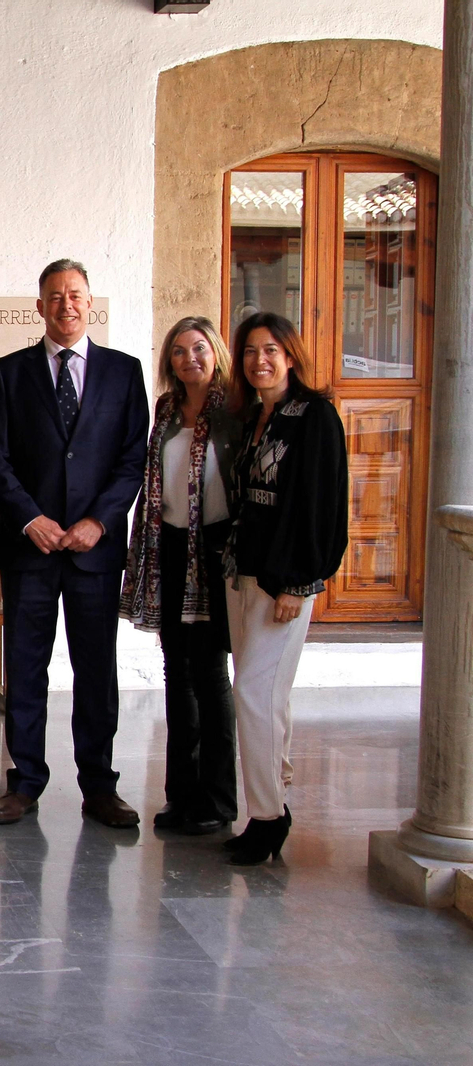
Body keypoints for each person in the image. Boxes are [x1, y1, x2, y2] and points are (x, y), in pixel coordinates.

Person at [0, 259, 149, 827]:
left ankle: (100, 787)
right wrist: (29, 518)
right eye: (55, 297)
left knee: (95, 670)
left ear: (90, 301)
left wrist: (100, 521)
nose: (66, 306)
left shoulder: (124, 373)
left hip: (94, 551)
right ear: (40, 306)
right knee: (26, 669)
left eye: (75, 295)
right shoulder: (9, 373)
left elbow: (132, 459)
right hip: (30, 549)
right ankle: (24, 782)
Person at [221, 311, 347, 866]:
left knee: (253, 694)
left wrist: (299, 582)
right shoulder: (252, 416)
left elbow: (321, 508)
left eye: (270, 350)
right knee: (266, 697)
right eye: (250, 352)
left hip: (283, 583)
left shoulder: (314, 416)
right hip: (242, 574)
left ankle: (268, 817)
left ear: (290, 355)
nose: (260, 361)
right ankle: (277, 784)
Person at [120, 316, 243, 836]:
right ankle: (181, 795)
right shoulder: (167, 409)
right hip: (167, 547)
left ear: (215, 352)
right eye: (178, 351)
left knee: (211, 674)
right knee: (177, 671)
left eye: (198, 348)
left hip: (215, 552)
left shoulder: (236, 411)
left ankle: (216, 800)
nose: (188, 358)